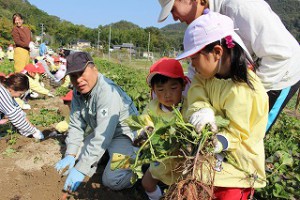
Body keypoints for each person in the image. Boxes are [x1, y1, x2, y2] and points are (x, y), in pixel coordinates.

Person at [157, 0, 300, 132]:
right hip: (247, 72)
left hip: (279, 72)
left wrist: (247, 94)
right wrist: (177, 101)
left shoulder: (240, 7)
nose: (175, 18)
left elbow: (279, 54)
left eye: (173, 9)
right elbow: (196, 74)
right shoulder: (203, 24)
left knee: (249, 133)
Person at [176, 11, 268, 200]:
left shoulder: (244, 89)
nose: (192, 65)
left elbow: (238, 133)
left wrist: (218, 142)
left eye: (194, 58)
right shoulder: (207, 77)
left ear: (217, 52)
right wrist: (202, 109)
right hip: (209, 160)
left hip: (238, 164)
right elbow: (196, 91)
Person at [54, 52, 139, 192]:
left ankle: (138, 167)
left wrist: (81, 170)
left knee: (112, 181)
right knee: (76, 158)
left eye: (81, 73)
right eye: (73, 76)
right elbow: (76, 125)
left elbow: (103, 136)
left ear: (95, 69)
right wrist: (70, 154)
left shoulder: (107, 92)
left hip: (123, 136)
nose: (78, 80)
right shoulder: (78, 92)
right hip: (102, 133)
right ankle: (105, 156)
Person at [137, 58, 189, 200]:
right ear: (153, 90)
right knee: (147, 183)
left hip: (181, 165)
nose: (167, 94)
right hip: (159, 163)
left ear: (183, 85)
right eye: (160, 89)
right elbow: (144, 122)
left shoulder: (188, 107)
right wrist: (145, 133)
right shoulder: (152, 107)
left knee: (181, 191)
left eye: (173, 88)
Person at [0, 73, 44, 139]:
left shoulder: (7, 91)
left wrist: (32, 128)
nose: (20, 96)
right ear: (12, 88)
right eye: (20, 94)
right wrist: (34, 131)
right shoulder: (3, 95)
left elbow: (19, 112)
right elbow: (16, 118)